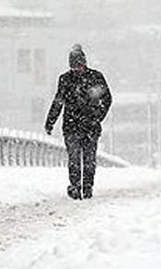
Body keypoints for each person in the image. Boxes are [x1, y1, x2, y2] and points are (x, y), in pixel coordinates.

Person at [44, 44, 111, 200]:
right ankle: (75, 186)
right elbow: (58, 102)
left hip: (86, 125)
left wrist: (97, 117)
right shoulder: (67, 79)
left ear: (84, 63)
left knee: (88, 159)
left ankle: (87, 187)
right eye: (74, 66)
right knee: (75, 158)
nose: (77, 69)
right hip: (74, 126)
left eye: (79, 65)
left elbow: (107, 99)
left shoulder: (95, 77)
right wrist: (50, 121)